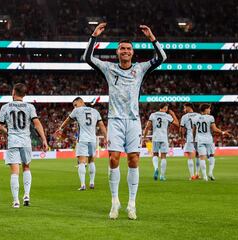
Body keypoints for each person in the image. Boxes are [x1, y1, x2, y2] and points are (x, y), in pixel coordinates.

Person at [83, 22, 167, 220]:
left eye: (129, 48)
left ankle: (131, 203)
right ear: (117, 52)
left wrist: (152, 38)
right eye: (122, 48)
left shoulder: (141, 69)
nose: (126, 51)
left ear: (133, 52)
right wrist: (94, 36)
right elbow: (87, 57)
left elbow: (162, 57)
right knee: (113, 158)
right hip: (115, 120)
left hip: (133, 121)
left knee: (134, 160)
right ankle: (114, 202)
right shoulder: (109, 69)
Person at [0, 83, 48, 208]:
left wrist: (8, 131)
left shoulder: (5, 107)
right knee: (26, 167)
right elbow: (37, 124)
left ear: (13, 92)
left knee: (14, 171)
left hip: (13, 141)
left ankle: (15, 201)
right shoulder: (30, 107)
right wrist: (44, 140)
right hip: (26, 141)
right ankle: (26, 196)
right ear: (24, 94)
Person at [55, 97, 107, 190]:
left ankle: (83, 185)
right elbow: (102, 125)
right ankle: (92, 183)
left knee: (81, 162)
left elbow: (68, 119)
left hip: (82, 139)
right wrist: (106, 137)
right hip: (93, 140)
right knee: (91, 160)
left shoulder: (77, 111)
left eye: (75, 104)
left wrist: (61, 128)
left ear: (81, 102)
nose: (75, 107)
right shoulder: (95, 111)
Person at [194, 104, 231, 181]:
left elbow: (194, 130)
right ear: (206, 109)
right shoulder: (210, 118)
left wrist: (194, 138)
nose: (210, 110)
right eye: (209, 109)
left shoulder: (195, 118)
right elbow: (214, 129)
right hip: (208, 139)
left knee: (202, 158)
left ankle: (204, 176)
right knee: (211, 156)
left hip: (199, 139)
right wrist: (223, 132)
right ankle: (210, 172)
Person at [143, 104, 179, 181]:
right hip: (164, 138)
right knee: (163, 157)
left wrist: (145, 136)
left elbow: (147, 126)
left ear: (159, 108)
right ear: (165, 108)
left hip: (155, 137)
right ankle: (162, 176)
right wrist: (173, 114)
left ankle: (156, 168)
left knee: (155, 154)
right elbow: (177, 124)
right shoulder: (167, 116)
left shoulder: (153, 115)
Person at [180, 103, 201, 180]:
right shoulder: (199, 115)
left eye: (184, 108)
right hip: (199, 138)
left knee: (190, 157)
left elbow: (181, 129)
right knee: (198, 155)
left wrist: (182, 139)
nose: (184, 109)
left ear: (189, 107)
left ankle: (192, 175)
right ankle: (197, 174)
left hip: (190, 138)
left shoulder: (184, 117)